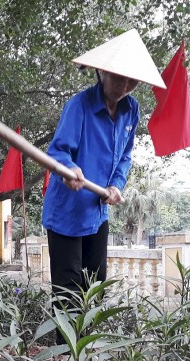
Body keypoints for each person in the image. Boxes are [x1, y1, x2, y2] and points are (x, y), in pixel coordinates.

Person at [42, 29, 165, 317]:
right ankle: (66, 353)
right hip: (66, 214)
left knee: (95, 285)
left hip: (97, 214)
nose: (124, 86)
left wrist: (117, 184)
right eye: (119, 77)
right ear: (101, 71)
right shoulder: (79, 106)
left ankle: (90, 346)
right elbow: (57, 152)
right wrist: (69, 169)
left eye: (132, 81)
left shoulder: (131, 110)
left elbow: (124, 156)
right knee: (68, 289)